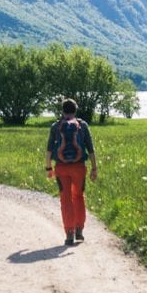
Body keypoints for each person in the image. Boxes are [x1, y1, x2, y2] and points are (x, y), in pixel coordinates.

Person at [45, 99, 96, 246]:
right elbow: (91, 149)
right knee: (78, 197)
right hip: (79, 167)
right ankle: (79, 230)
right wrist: (94, 168)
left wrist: (49, 168)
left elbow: (49, 149)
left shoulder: (56, 126)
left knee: (65, 199)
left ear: (62, 110)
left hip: (61, 167)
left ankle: (69, 233)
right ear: (75, 110)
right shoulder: (83, 125)